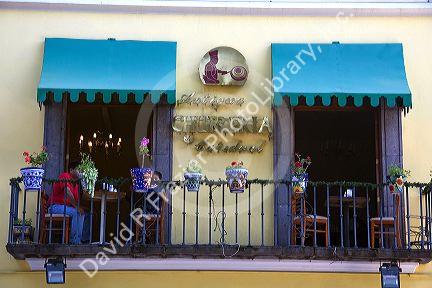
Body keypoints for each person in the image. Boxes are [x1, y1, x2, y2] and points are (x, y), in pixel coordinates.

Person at [48, 161, 90, 244]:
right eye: (79, 170)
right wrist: (77, 207)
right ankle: (74, 241)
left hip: (65, 208)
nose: (81, 172)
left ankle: (83, 240)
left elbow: (76, 203)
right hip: (55, 207)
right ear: (71, 170)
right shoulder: (65, 176)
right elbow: (67, 192)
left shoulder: (76, 185)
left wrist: (85, 188)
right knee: (76, 212)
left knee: (85, 213)